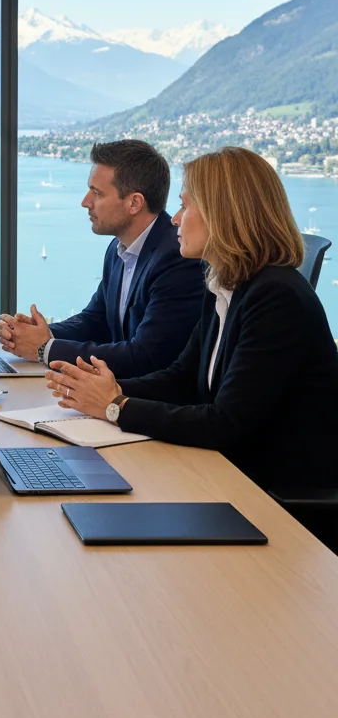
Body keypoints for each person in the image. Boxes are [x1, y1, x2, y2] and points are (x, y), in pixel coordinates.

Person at [45, 146, 338, 495]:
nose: (174, 219)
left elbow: (225, 424)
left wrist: (116, 407)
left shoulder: (276, 297)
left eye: (185, 205)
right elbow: (182, 379)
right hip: (225, 475)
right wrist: (107, 391)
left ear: (221, 214)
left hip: (275, 501)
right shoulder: (226, 285)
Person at [0, 139, 204, 378]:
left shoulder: (177, 257)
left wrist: (45, 348)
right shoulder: (118, 247)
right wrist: (37, 334)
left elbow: (147, 356)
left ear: (134, 203)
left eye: (96, 193)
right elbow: (97, 321)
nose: (85, 202)